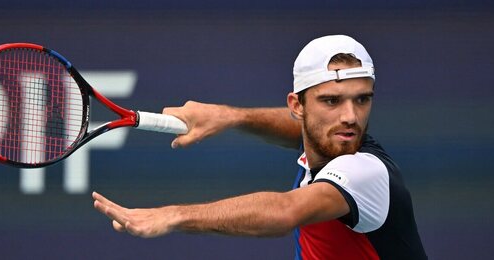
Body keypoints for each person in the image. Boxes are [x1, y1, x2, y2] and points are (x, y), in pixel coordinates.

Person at [92, 35, 427, 259]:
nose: (350, 117)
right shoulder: (325, 142)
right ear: (297, 105)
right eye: (331, 101)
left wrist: (174, 215)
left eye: (362, 99)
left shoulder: (363, 170)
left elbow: (285, 212)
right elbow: (299, 129)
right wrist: (228, 117)